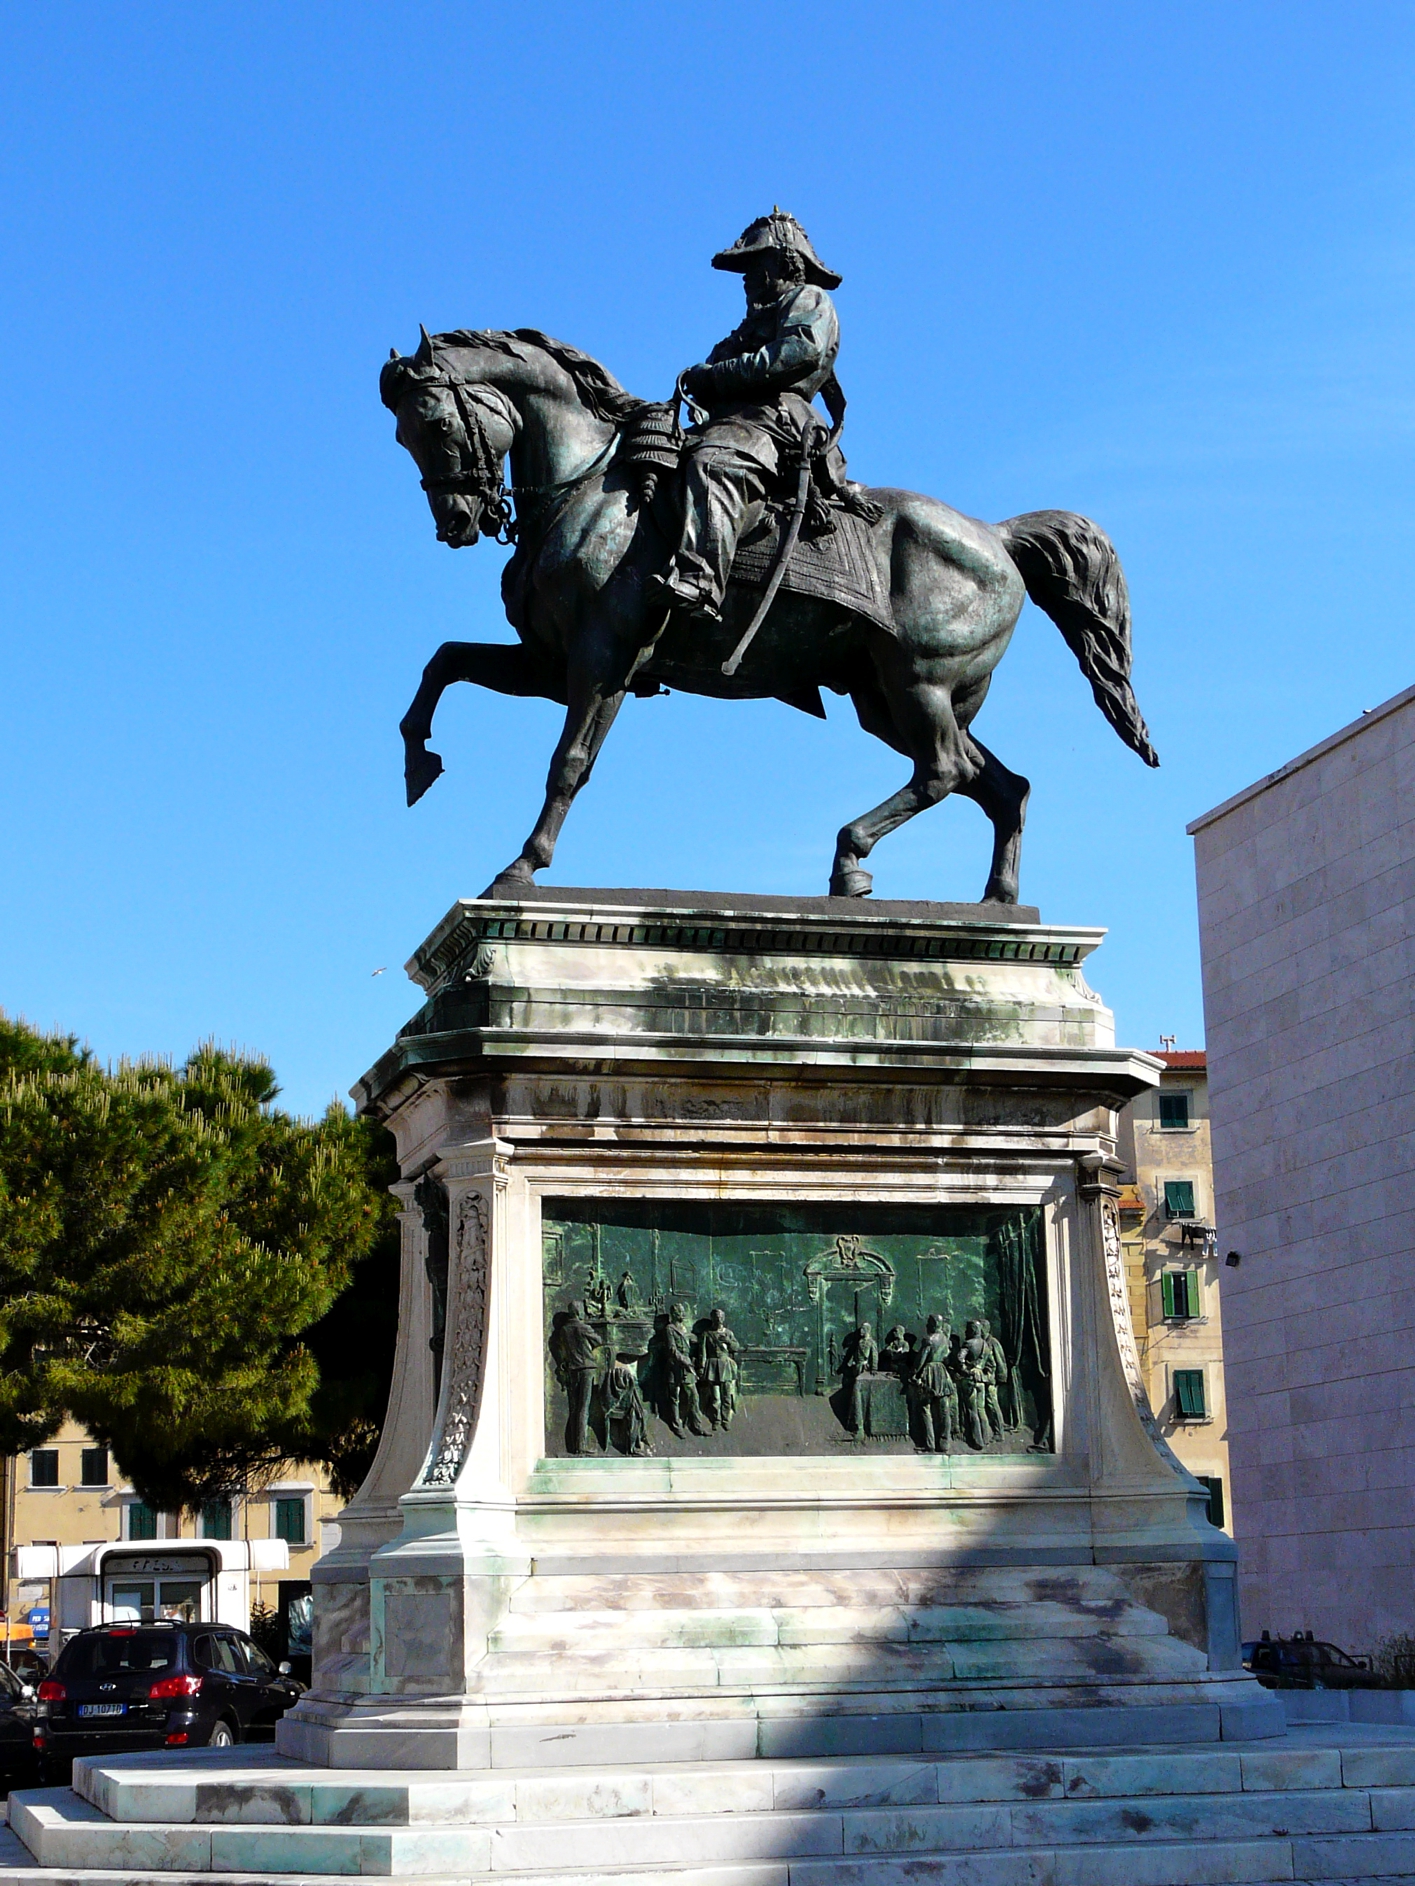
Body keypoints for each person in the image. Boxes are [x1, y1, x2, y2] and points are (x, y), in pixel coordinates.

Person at [650, 210, 843, 625]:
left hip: (776, 420)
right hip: (735, 419)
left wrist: (716, 377)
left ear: (784, 264)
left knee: (712, 465)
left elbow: (799, 352)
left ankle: (702, 581)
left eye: (755, 265)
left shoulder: (808, 300)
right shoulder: (751, 323)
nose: (746, 276)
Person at [549, 1300, 601, 1455]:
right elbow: (599, 1341)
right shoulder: (583, 1327)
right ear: (579, 1312)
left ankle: (573, 1445)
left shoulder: (564, 1330)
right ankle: (581, 1446)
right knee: (584, 1408)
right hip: (586, 1369)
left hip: (572, 1370)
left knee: (574, 1408)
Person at [909, 1314, 957, 1453]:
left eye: (928, 1323)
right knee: (944, 1411)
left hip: (929, 1372)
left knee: (925, 1408)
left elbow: (921, 1360)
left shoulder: (929, 1340)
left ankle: (930, 1443)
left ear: (932, 1325)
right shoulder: (946, 1340)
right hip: (942, 1373)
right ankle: (944, 1443)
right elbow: (947, 1359)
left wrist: (914, 1373)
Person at [662, 1302, 710, 1437]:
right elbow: (672, 1349)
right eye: (680, 1312)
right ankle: (676, 1425)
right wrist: (684, 1360)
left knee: (693, 1396)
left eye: (683, 1312)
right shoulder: (670, 1329)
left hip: (687, 1369)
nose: (682, 1315)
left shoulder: (685, 1328)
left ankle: (697, 1425)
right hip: (675, 1368)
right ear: (674, 1314)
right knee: (674, 1397)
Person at [696, 1307, 741, 1431]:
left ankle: (726, 1419)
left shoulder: (728, 1333)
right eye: (716, 1317)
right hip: (712, 1366)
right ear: (712, 1318)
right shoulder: (707, 1334)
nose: (719, 1319)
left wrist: (728, 1342)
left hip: (725, 1365)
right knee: (715, 1397)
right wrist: (701, 1367)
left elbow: (736, 1347)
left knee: (726, 1395)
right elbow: (702, 1352)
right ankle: (716, 1419)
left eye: (721, 1317)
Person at [603, 1353, 654, 1457]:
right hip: (618, 1403)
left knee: (640, 1412)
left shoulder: (626, 1374)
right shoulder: (618, 1373)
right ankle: (632, 1446)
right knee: (635, 1414)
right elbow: (616, 1392)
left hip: (626, 1402)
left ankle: (639, 1438)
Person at [958, 1319, 995, 1450]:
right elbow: (992, 1364)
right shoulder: (986, 1345)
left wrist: (966, 1370)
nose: (965, 1332)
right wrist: (984, 1373)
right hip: (981, 1381)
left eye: (968, 1329)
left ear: (973, 1330)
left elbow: (959, 1358)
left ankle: (977, 1440)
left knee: (972, 1411)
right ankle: (986, 1437)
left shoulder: (968, 1344)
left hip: (970, 1380)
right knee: (981, 1410)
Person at [838, 1321, 879, 1435]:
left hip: (865, 1368)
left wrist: (874, 1368)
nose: (861, 1331)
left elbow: (874, 1356)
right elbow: (853, 1354)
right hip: (856, 1368)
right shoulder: (859, 1342)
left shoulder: (871, 1343)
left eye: (863, 1329)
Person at [979, 1317, 1016, 1432]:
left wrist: (1000, 1378)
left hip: (992, 1378)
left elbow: (1000, 1361)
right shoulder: (982, 1342)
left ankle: (998, 1430)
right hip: (985, 1378)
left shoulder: (993, 1342)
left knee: (992, 1404)